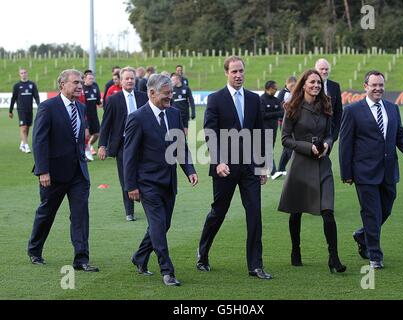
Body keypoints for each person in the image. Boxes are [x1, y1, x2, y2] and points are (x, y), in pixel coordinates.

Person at [196, 56, 272, 280]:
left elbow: (260, 132)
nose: (238, 75)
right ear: (226, 73)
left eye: (241, 71)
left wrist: (263, 165)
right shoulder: (215, 99)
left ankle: (255, 265)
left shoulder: (253, 99)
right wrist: (218, 162)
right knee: (218, 212)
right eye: (234, 72)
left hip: (249, 168)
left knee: (254, 214)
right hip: (225, 168)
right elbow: (210, 133)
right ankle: (203, 253)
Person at [339, 70, 403, 269]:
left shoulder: (393, 108)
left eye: (381, 85)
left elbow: (400, 135)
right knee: (371, 213)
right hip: (364, 173)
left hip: (389, 171)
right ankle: (374, 255)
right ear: (365, 86)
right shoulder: (352, 110)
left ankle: (361, 235)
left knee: (386, 209)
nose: (378, 89)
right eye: (374, 85)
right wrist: (346, 173)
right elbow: (345, 144)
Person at [124, 74, 198, 286]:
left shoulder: (174, 114)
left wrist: (189, 170)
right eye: (166, 94)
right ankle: (167, 270)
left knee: (163, 225)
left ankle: (139, 256)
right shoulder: (137, 118)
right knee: (157, 225)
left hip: (169, 181)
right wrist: (131, 186)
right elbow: (129, 156)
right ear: (152, 93)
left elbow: (180, 146)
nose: (170, 97)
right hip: (147, 183)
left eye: (171, 93)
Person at [27, 69, 98, 272]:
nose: (79, 86)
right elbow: (39, 140)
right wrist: (43, 171)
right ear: (62, 84)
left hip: (79, 173)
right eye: (75, 82)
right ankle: (34, 250)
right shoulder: (48, 107)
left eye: (81, 83)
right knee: (46, 213)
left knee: (80, 215)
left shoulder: (81, 107)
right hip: (53, 173)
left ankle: (81, 259)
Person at [277, 69, 346, 273]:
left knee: (328, 211)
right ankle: (295, 250)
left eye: (319, 82)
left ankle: (333, 258)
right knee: (296, 211)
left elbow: (330, 134)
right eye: (312, 82)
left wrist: (326, 144)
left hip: (322, 164)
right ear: (304, 84)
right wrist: (308, 147)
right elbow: (285, 139)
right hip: (300, 165)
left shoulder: (327, 105)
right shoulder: (292, 107)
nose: (316, 85)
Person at [98, 67, 149, 222]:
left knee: (144, 176)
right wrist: (102, 145)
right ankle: (129, 211)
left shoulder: (143, 97)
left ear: (136, 80)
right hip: (122, 145)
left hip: (142, 143)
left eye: (132, 78)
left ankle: (149, 207)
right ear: (120, 81)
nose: (129, 81)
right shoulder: (113, 100)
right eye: (126, 78)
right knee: (126, 178)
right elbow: (106, 124)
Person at [9, 68, 40, 154]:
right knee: (23, 127)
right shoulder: (17, 86)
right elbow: (13, 98)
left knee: (27, 127)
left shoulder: (32, 85)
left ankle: (22, 143)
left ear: (27, 73)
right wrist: (10, 110)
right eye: (21, 73)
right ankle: (26, 146)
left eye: (25, 72)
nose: (23, 74)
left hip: (29, 109)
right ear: (19, 74)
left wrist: (39, 107)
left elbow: (36, 96)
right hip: (21, 110)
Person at [272, 76, 297, 180]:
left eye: (294, 86)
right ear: (287, 84)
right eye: (291, 86)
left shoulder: (296, 93)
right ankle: (293, 167)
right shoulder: (282, 94)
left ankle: (281, 168)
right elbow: (279, 109)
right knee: (288, 144)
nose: (293, 87)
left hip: (293, 122)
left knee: (286, 147)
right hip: (284, 123)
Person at [315, 58, 343, 142]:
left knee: (325, 155)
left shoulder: (335, 86)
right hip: (312, 133)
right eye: (321, 69)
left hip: (330, 134)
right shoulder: (309, 85)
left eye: (326, 69)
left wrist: (335, 134)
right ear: (316, 70)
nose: (324, 71)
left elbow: (338, 111)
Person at [260, 80, 283, 176]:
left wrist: (273, 114)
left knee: (269, 148)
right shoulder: (261, 99)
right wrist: (276, 114)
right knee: (266, 149)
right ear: (269, 88)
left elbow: (282, 113)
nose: (276, 90)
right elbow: (263, 115)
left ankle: (266, 170)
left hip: (274, 128)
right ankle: (273, 171)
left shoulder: (276, 100)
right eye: (275, 89)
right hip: (264, 128)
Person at [82, 71, 102, 160]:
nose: (91, 80)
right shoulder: (82, 88)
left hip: (94, 114)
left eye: (92, 78)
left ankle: (89, 146)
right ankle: (86, 152)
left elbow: (98, 101)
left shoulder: (95, 86)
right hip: (85, 115)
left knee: (97, 133)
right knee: (87, 135)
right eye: (89, 78)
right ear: (85, 79)